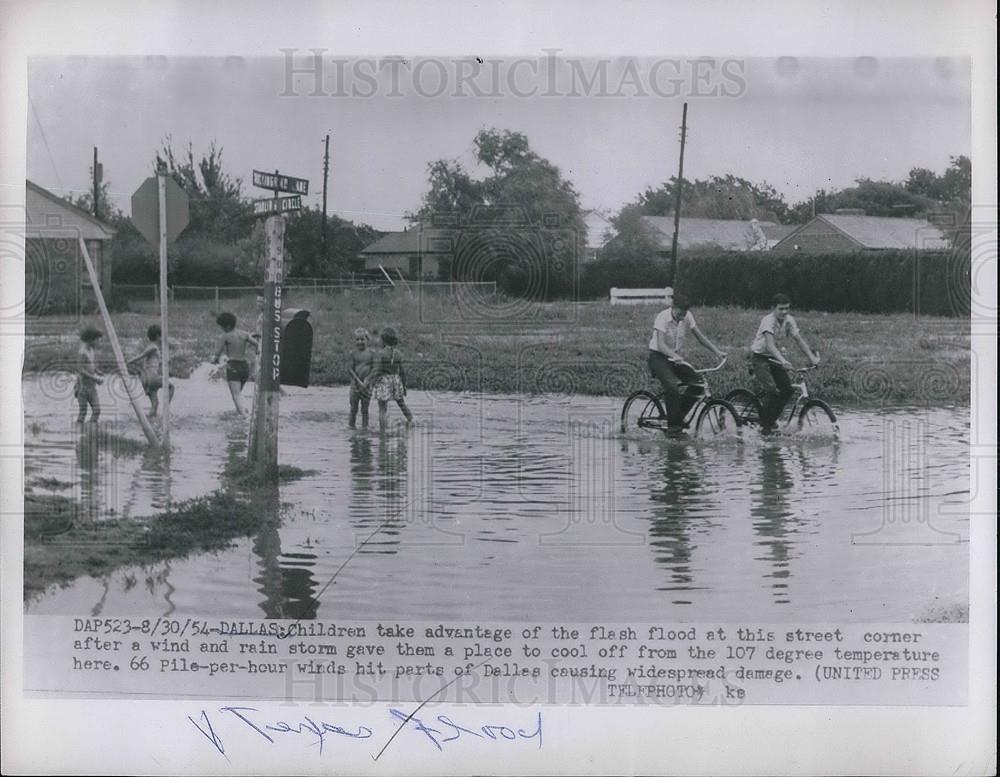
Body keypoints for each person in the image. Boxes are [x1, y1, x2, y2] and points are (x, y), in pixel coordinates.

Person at [647, 292, 726, 435]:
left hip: (674, 358)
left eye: (684, 314)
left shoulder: (687, 316)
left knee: (698, 383)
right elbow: (660, 344)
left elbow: (700, 336)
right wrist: (674, 355)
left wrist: (717, 351)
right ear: (673, 307)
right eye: (679, 313)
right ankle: (673, 429)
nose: (682, 317)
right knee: (672, 386)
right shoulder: (662, 318)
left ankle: (677, 416)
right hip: (658, 357)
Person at [750, 293, 821, 434]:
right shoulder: (767, 321)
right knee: (772, 390)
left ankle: (769, 422)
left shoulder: (789, 320)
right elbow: (770, 345)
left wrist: (812, 358)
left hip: (775, 358)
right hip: (760, 358)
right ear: (773, 308)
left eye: (787, 308)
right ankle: (765, 425)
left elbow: (799, 340)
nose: (784, 312)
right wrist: (783, 361)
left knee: (787, 389)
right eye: (781, 309)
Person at [366, 327, 414, 432]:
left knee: (382, 409)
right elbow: (402, 371)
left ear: (383, 340)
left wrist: (369, 381)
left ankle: (383, 431)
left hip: (384, 381)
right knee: (401, 403)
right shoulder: (398, 354)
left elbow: (377, 370)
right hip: (396, 380)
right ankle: (411, 420)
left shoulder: (381, 354)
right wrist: (404, 386)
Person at [212, 311, 259, 415]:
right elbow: (257, 344)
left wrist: (214, 360)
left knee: (236, 394)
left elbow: (216, 354)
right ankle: (243, 410)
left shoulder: (225, 336)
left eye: (221, 326)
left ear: (227, 326)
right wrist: (257, 352)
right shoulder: (244, 334)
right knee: (239, 393)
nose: (221, 329)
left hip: (233, 367)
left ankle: (244, 416)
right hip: (245, 367)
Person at [127, 324, 174, 418]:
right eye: (161, 336)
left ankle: (149, 422)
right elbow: (141, 356)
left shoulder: (152, 348)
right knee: (171, 387)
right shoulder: (153, 347)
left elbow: (150, 363)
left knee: (155, 405)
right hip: (151, 378)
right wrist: (128, 362)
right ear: (157, 336)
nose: (162, 339)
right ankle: (166, 412)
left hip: (145, 380)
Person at [75, 326, 104, 424]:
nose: (99, 342)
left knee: (97, 410)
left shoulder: (92, 349)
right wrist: (95, 378)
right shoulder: (82, 352)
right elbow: (80, 370)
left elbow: (90, 364)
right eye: (97, 340)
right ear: (90, 339)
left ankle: (90, 430)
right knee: (83, 413)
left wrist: (97, 371)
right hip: (82, 387)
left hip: (92, 387)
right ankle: (79, 431)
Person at [348, 327, 375, 429]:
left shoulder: (371, 354)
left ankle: (365, 428)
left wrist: (367, 381)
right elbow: (350, 369)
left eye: (362, 339)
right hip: (355, 386)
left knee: (365, 409)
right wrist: (358, 382)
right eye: (357, 339)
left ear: (367, 340)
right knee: (353, 409)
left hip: (367, 386)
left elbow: (374, 369)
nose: (360, 342)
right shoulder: (353, 353)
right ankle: (351, 427)